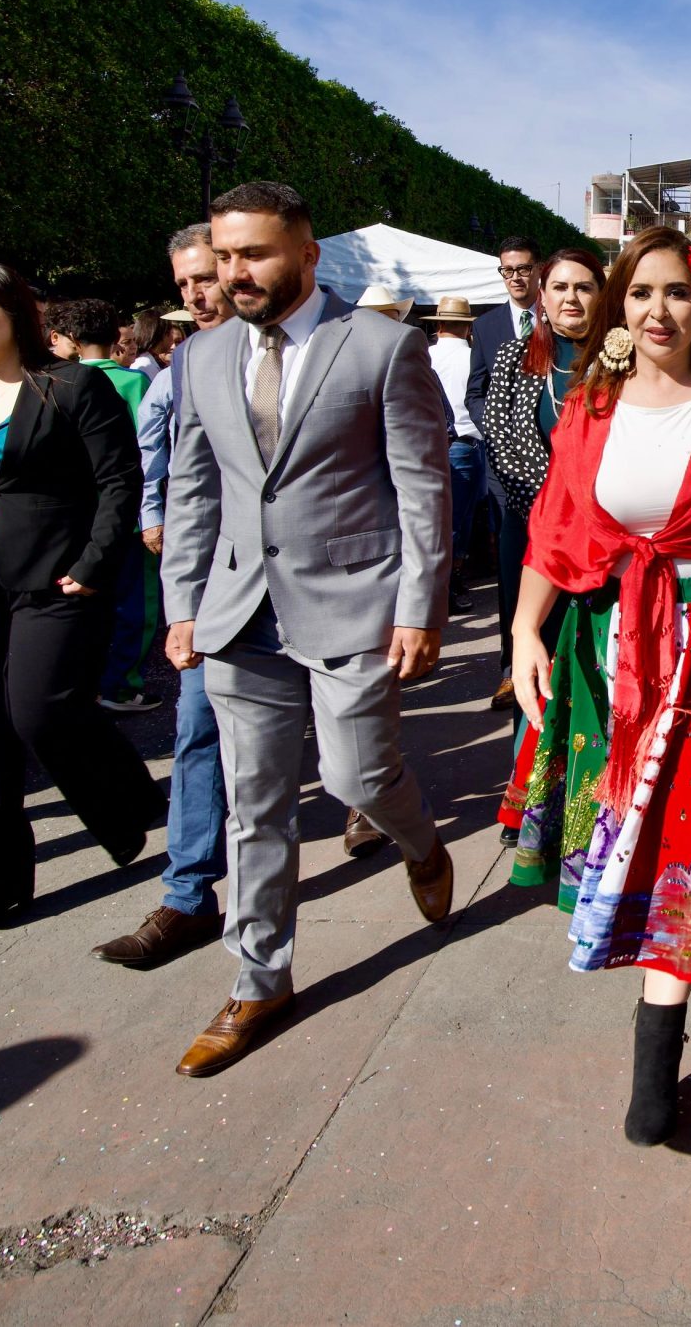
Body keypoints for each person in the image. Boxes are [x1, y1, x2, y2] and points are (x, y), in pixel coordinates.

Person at [507, 228, 691, 1147]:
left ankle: (653, 1066)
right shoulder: (589, 407)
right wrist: (523, 627)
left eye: (676, 293)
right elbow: (556, 527)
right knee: (637, 831)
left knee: (686, 839)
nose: (659, 311)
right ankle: (657, 1030)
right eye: (640, 294)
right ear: (617, 306)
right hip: (613, 644)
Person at [160, 180, 458, 1078]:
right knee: (255, 804)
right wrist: (183, 601)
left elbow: (421, 488)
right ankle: (259, 978)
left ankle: (420, 840)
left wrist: (419, 605)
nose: (233, 271)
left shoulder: (378, 346)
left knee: (355, 772)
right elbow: (194, 484)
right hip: (237, 611)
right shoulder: (202, 356)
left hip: (354, 602)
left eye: (253, 253)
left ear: (306, 252)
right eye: (223, 254)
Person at [0, 267, 163, 931]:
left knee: (39, 713)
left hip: (55, 573)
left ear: (16, 312)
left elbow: (118, 480)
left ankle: (126, 800)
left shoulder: (72, 386)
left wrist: (95, 560)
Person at [91, 226, 234, 971]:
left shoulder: (319, 348)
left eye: (206, 276)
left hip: (319, 586)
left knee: (351, 744)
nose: (197, 294)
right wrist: (154, 515)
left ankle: (371, 809)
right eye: (183, 284)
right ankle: (186, 895)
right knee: (197, 726)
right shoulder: (183, 365)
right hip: (214, 581)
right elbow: (166, 454)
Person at [482, 246, 605, 849]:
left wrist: (595, 506)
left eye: (583, 287)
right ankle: (529, 795)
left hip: (607, 536)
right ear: (541, 293)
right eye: (558, 287)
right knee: (530, 655)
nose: (570, 299)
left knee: (593, 658)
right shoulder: (513, 359)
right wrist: (569, 498)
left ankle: (594, 793)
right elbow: (505, 444)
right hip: (531, 531)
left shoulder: (620, 361)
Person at [45, 299, 165, 717]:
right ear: (117, 338)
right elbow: (151, 450)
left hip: (76, 518)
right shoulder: (134, 384)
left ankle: (79, 682)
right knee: (137, 604)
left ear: (68, 339)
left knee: (83, 600)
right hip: (129, 517)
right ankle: (121, 683)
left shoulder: (52, 383)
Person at [468, 235, 546, 708]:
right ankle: (508, 666)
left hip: (556, 464)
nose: (515, 276)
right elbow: (474, 392)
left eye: (522, 268)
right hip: (505, 470)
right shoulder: (489, 325)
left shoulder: (559, 314)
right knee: (512, 565)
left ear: (538, 270)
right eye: (507, 270)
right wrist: (498, 430)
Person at [422, 296, 486, 620]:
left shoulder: (425, 355)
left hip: (434, 444)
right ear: (466, 326)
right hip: (466, 442)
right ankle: (451, 585)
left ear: (439, 323)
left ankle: (442, 585)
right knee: (458, 521)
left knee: (440, 520)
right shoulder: (474, 356)